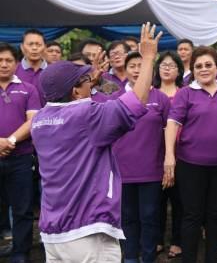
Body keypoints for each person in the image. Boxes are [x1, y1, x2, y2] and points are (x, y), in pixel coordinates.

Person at [30, 23, 162, 262]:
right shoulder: (86, 116)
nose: (90, 84)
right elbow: (137, 101)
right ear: (76, 92)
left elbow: (74, 103)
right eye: (85, 82)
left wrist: (92, 78)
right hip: (87, 232)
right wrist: (149, 57)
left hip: (53, 234)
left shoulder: (40, 119)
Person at [163, 46, 217, 263]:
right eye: (198, 66)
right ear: (193, 70)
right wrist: (170, 156)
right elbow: (172, 123)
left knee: (216, 216)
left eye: (208, 65)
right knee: (192, 216)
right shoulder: (186, 93)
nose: (203, 69)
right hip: (190, 165)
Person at [112, 51, 170, 263]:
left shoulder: (161, 98)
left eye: (141, 65)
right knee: (127, 218)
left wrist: (167, 163)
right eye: (132, 66)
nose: (137, 70)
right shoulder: (116, 97)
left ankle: (147, 257)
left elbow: (168, 132)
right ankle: (129, 257)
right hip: (122, 169)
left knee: (149, 217)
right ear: (125, 70)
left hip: (152, 169)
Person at [0, 43, 40, 263]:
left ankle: (20, 252)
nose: (4, 64)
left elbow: (33, 120)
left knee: (22, 208)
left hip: (21, 158)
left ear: (16, 63)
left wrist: (10, 141)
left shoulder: (28, 89)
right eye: (0, 60)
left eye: (8, 60)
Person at [153, 51, 184, 258]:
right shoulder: (150, 92)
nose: (167, 68)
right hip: (154, 154)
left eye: (172, 65)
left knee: (180, 201)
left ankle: (177, 240)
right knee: (157, 200)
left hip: (182, 154)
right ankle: (157, 239)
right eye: (163, 64)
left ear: (179, 70)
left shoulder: (186, 93)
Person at [15, 29, 48, 106]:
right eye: (30, 44)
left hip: (46, 117)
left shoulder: (53, 72)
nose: (34, 48)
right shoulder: (13, 71)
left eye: (38, 44)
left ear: (45, 48)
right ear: (22, 47)